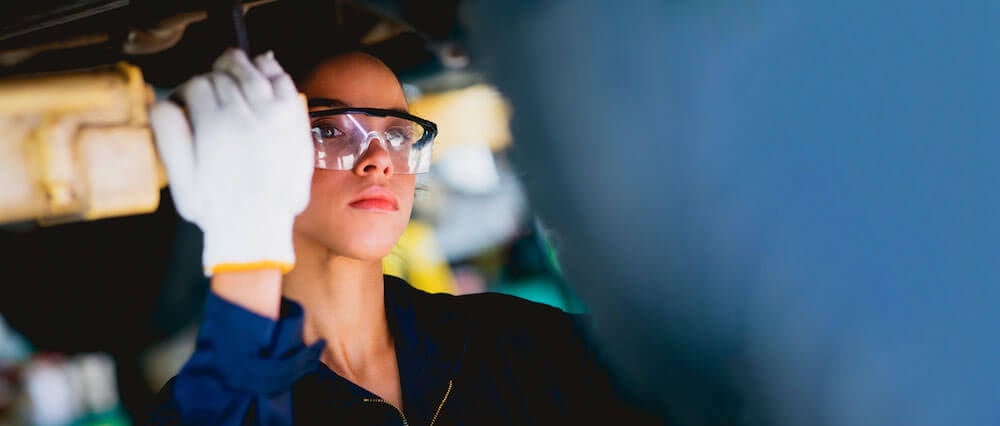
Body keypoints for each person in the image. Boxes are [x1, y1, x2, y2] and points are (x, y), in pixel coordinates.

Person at [146, 48, 657, 425]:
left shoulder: (511, 343)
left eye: (396, 134)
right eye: (328, 129)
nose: (379, 159)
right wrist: (246, 260)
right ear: (250, 157)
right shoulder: (210, 401)